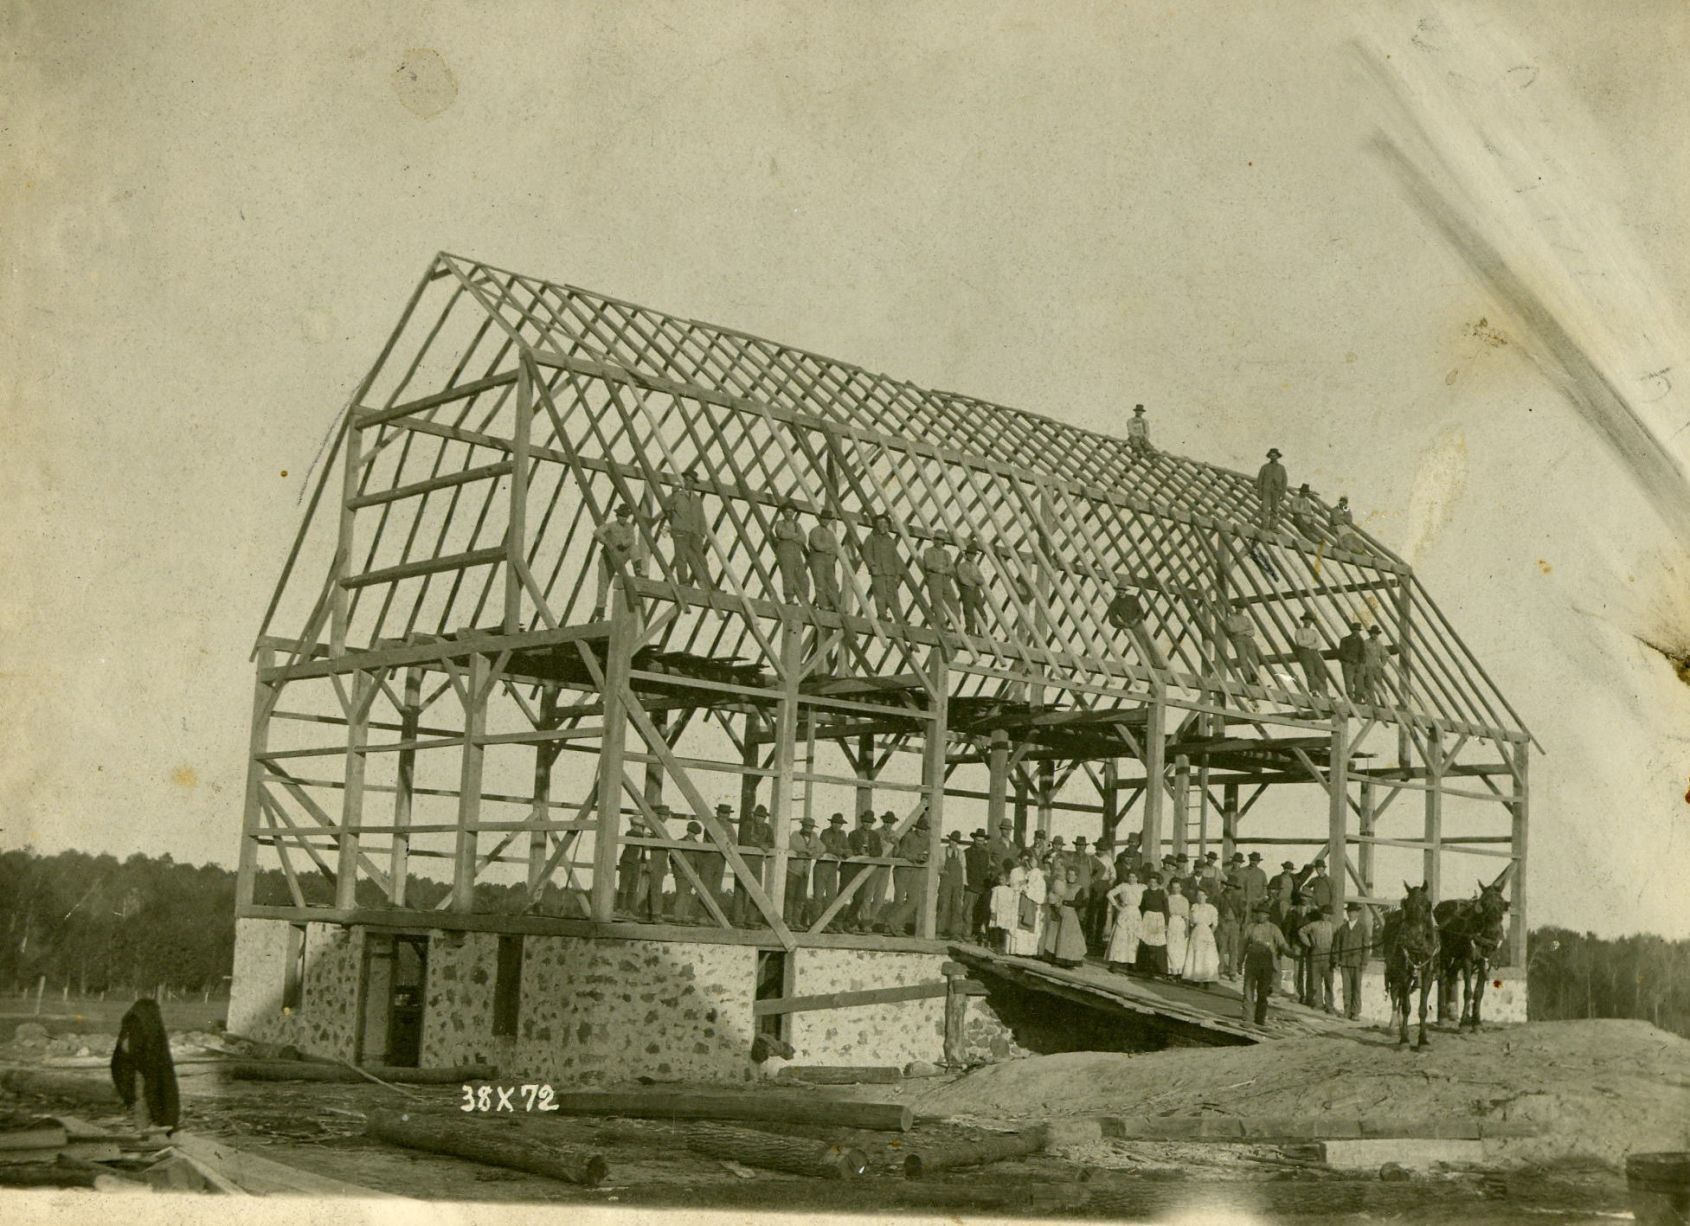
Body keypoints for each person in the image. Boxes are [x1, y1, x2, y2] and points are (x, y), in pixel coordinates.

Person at [112, 999, 179, 1129]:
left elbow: (126, 1049)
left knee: (144, 1103)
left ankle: (147, 1133)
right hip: (144, 1072)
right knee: (146, 1103)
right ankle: (148, 1133)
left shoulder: (134, 1022)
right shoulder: (143, 1024)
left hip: (141, 1071)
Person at [1241, 905, 1294, 1025]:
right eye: (1258, 913)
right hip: (1252, 963)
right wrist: (1239, 962)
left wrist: (1291, 953)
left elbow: (1282, 944)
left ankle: (1259, 1019)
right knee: (1248, 991)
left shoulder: (1273, 929)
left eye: (1263, 913)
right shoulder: (1250, 927)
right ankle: (1247, 1018)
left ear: (1268, 915)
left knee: (1262, 992)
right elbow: (1243, 945)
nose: (1260, 916)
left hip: (1266, 964)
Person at [661, 469, 714, 590]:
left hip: (694, 533)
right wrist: (673, 493)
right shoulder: (678, 496)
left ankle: (708, 585)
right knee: (681, 558)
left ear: (694, 483)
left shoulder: (697, 499)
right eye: (687, 480)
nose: (688, 483)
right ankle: (683, 582)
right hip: (680, 531)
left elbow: (701, 517)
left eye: (691, 481)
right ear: (684, 481)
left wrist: (701, 533)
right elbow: (666, 506)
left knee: (701, 560)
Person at [590, 503, 644, 620]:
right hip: (607, 559)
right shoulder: (611, 525)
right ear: (617, 516)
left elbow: (632, 539)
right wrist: (606, 542)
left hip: (620, 555)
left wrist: (622, 544)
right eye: (621, 516)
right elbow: (597, 532)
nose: (623, 518)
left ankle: (638, 569)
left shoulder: (629, 527)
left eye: (625, 516)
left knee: (634, 547)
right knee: (603, 585)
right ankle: (600, 614)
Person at [734, 803, 775, 927]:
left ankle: (751, 918)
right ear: (754, 816)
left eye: (762, 817)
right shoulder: (747, 825)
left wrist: (765, 845)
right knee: (741, 889)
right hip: (744, 860)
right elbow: (744, 840)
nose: (760, 819)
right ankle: (737, 919)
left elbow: (772, 843)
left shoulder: (767, 828)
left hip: (757, 862)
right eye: (758, 816)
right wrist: (760, 845)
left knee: (756, 890)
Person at [1107, 583, 1165, 668]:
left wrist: (1136, 620)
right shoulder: (1115, 603)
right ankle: (1150, 664)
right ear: (1116, 591)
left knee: (1149, 643)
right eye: (1118, 589)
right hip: (1129, 627)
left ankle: (1159, 664)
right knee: (1141, 645)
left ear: (1125, 590)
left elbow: (1141, 612)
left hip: (1139, 624)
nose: (1120, 591)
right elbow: (1112, 620)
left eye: (1122, 589)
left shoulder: (1132, 599)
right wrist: (1123, 624)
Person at [1042, 865, 1089, 968]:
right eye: (1069, 874)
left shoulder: (1079, 888)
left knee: (1067, 938)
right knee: (1055, 935)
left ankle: (1067, 961)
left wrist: (1064, 902)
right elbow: (1054, 895)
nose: (1070, 876)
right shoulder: (1062, 885)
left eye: (1073, 875)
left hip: (1070, 915)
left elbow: (1078, 903)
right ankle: (1054, 958)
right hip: (1059, 912)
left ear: (1076, 876)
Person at [862, 513, 905, 620]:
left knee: (893, 596)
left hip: (890, 573)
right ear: (876, 525)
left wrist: (898, 574)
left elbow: (896, 557)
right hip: (878, 572)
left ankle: (899, 618)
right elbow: (866, 553)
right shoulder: (871, 538)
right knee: (880, 595)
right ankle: (882, 616)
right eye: (880, 523)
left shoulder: (890, 541)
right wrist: (872, 566)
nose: (883, 525)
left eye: (885, 523)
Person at [1299, 904, 1339, 1013]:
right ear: (1321, 914)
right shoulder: (1314, 925)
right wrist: (1309, 944)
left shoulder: (1334, 927)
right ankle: (1318, 1003)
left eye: (1328, 914)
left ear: (1331, 916)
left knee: (1329, 982)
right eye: (1324, 913)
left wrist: (1335, 957)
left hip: (1328, 957)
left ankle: (1329, 1005)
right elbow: (1301, 932)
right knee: (1316, 981)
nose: (1326, 916)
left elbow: (1338, 942)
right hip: (1315, 955)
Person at [813, 813, 849, 930]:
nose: (837, 825)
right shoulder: (825, 832)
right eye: (835, 823)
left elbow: (847, 848)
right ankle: (816, 921)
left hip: (833, 868)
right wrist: (841, 851)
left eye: (839, 824)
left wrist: (845, 852)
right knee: (818, 896)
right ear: (831, 823)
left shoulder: (843, 834)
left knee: (831, 896)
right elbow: (827, 847)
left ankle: (827, 922)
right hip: (822, 866)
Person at [1105, 868, 1146, 971]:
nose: (1132, 879)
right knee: (1120, 936)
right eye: (1130, 876)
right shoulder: (1123, 886)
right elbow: (1109, 894)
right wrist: (1117, 906)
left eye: (1134, 877)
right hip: (1125, 912)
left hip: (1135, 913)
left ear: (1138, 878)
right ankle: (1115, 963)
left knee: (1133, 938)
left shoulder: (1142, 887)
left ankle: (1132, 963)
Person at [785, 815, 822, 927]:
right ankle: (788, 920)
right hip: (793, 870)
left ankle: (796, 921)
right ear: (802, 826)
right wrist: (804, 850)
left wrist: (814, 852)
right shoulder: (795, 835)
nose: (808, 829)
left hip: (805, 872)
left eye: (811, 827)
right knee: (790, 896)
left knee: (800, 897)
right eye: (806, 826)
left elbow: (822, 848)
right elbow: (791, 845)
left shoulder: (814, 836)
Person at [1333, 902, 1368, 1020]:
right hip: (1344, 963)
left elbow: (1366, 948)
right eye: (1349, 912)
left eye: (1354, 912)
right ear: (1347, 913)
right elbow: (1337, 945)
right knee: (1346, 988)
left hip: (1357, 963)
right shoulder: (1342, 929)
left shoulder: (1363, 929)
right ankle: (1347, 1011)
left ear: (1358, 913)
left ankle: (1355, 1012)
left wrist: (1364, 962)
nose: (1351, 914)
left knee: (1356, 988)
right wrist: (1336, 960)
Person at [845, 811, 878, 932]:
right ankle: (847, 922)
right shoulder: (853, 834)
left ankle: (851, 921)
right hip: (853, 868)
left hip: (867, 869)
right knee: (850, 895)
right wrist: (858, 851)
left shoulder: (874, 835)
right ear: (862, 822)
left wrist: (870, 853)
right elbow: (848, 848)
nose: (867, 824)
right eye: (865, 822)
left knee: (860, 897)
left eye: (870, 822)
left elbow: (879, 851)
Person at [771, 501, 809, 603]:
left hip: (796, 552)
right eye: (787, 512)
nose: (789, 514)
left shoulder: (798, 525)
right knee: (787, 575)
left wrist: (791, 536)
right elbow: (782, 534)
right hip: (784, 551)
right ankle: (789, 599)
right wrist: (795, 536)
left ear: (794, 513)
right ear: (783, 513)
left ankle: (805, 599)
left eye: (791, 512)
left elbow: (803, 538)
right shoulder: (779, 523)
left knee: (803, 576)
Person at [1183, 887, 1221, 987]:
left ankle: (1206, 980)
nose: (1200, 898)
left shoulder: (1211, 908)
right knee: (1196, 954)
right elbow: (1191, 921)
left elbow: (1215, 923)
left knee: (1207, 956)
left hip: (1206, 932)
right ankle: (1195, 978)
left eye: (1203, 895)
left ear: (1206, 896)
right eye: (1198, 895)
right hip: (1196, 932)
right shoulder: (1194, 907)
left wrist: (1210, 933)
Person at [806, 514, 842, 612]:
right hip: (817, 559)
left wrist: (827, 549)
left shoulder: (830, 533)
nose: (826, 521)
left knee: (833, 584)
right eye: (824, 519)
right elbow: (817, 546)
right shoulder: (815, 531)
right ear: (820, 519)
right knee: (820, 582)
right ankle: (823, 605)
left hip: (828, 561)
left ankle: (835, 605)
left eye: (828, 519)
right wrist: (828, 548)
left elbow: (835, 548)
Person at [920, 540, 959, 629]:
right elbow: (929, 565)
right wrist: (941, 569)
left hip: (945, 579)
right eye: (937, 539)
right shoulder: (928, 551)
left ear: (943, 542)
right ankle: (942, 624)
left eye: (940, 540)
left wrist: (942, 570)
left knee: (952, 599)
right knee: (937, 601)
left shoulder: (946, 553)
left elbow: (951, 567)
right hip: (934, 578)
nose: (938, 542)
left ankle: (957, 622)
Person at [938, 830, 969, 939]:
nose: (953, 843)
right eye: (951, 840)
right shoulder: (942, 851)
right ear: (949, 840)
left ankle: (955, 932)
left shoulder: (961, 853)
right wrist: (942, 871)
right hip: (946, 882)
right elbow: (939, 865)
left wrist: (964, 884)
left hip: (958, 883)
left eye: (955, 841)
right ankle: (939, 930)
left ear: (957, 843)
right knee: (943, 904)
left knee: (957, 906)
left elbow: (963, 869)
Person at [672, 819, 705, 923]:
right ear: (687, 831)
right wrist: (676, 870)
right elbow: (672, 858)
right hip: (681, 873)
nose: (692, 834)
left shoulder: (697, 845)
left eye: (694, 833)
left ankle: (684, 916)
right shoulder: (680, 842)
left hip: (692, 874)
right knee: (681, 893)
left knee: (687, 894)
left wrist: (697, 871)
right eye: (690, 832)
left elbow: (699, 860)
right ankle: (677, 916)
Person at [643, 805, 672, 922]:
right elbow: (646, 844)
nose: (665, 817)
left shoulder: (663, 826)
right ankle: (655, 914)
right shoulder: (651, 827)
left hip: (662, 858)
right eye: (662, 814)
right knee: (656, 887)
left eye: (666, 815)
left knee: (657, 886)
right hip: (655, 858)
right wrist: (649, 860)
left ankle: (652, 913)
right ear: (658, 815)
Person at [1137, 873, 1169, 975]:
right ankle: (1145, 966)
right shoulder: (1145, 893)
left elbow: (1166, 909)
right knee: (1146, 941)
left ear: (1158, 883)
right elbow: (1141, 908)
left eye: (1154, 882)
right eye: (1150, 882)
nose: (1152, 884)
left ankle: (1159, 968)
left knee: (1158, 943)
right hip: (1147, 918)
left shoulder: (1162, 893)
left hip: (1159, 918)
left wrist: (1166, 923)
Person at [964, 828, 993, 940]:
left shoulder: (986, 853)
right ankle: (966, 933)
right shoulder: (967, 852)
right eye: (977, 840)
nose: (979, 843)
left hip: (982, 887)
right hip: (970, 886)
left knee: (980, 912)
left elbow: (988, 868)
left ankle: (975, 933)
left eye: (981, 841)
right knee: (967, 911)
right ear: (974, 840)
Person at [1293, 613, 1329, 699]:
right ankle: (1314, 692)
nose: (1308, 622)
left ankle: (1325, 692)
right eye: (1307, 620)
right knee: (1310, 672)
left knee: (1321, 672)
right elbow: (1299, 642)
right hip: (1304, 653)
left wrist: (1309, 645)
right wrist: (1312, 643)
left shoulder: (1314, 632)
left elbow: (1319, 644)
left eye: (1310, 621)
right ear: (1303, 621)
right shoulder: (1299, 631)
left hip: (1314, 653)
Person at [616, 818, 647, 915]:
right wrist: (644, 836)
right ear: (633, 826)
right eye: (638, 826)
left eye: (641, 826)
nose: (640, 828)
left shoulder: (641, 837)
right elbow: (633, 835)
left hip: (636, 863)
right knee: (624, 885)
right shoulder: (630, 833)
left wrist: (644, 861)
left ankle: (629, 909)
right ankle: (620, 908)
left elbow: (643, 851)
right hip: (627, 862)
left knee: (633, 887)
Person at [1226, 608, 1264, 686]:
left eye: (1242, 608)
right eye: (1238, 608)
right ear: (1236, 608)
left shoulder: (1246, 618)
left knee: (1254, 659)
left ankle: (1255, 679)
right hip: (1238, 639)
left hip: (1248, 639)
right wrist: (1245, 629)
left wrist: (1241, 631)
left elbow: (1252, 631)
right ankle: (1248, 680)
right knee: (1243, 659)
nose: (1240, 610)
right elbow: (1231, 629)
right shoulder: (1231, 619)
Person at [956, 543, 988, 635]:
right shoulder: (961, 566)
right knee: (969, 611)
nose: (971, 556)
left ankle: (983, 633)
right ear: (966, 554)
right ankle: (971, 632)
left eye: (973, 554)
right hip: (966, 590)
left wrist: (972, 578)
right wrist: (974, 579)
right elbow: (963, 579)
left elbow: (982, 580)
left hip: (975, 591)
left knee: (982, 611)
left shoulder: (975, 567)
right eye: (969, 553)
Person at [1215, 881, 1244, 979]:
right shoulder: (1220, 896)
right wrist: (1220, 922)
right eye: (1228, 885)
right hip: (1223, 923)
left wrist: (1239, 923)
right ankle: (1220, 970)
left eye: (1232, 885)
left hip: (1234, 924)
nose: (1230, 887)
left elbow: (1242, 911)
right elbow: (1216, 911)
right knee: (1221, 947)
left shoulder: (1238, 898)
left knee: (1233, 948)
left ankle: (1232, 972)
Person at [1255, 448, 1288, 531]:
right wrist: (1259, 492)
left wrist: (1283, 493)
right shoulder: (1264, 467)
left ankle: (1273, 526)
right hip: (1266, 491)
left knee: (1275, 509)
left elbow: (1284, 481)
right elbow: (1260, 480)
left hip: (1277, 491)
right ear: (1269, 457)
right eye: (1271, 455)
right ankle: (1264, 525)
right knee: (1265, 508)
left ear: (1277, 457)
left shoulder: (1281, 468)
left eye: (1275, 455)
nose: (1273, 457)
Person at [987, 867, 1017, 953]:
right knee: (997, 929)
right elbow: (993, 901)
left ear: (1007, 881)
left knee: (1004, 931)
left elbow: (1012, 903)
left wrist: (1010, 913)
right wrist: (993, 911)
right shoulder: (996, 889)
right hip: (998, 912)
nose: (1001, 881)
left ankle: (1002, 947)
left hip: (1006, 914)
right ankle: (996, 946)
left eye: (1003, 879)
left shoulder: (1010, 891)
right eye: (1000, 879)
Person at [1336, 621, 1367, 702]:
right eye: (1354, 630)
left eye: (1358, 630)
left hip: (1358, 665)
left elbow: (1363, 652)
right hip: (1348, 664)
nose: (1356, 632)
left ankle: (1358, 699)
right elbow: (1342, 653)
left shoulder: (1360, 641)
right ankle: (1350, 698)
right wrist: (1350, 660)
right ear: (1352, 630)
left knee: (1359, 682)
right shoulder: (1345, 640)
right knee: (1348, 682)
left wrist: (1361, 662)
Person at [1166, 880, 1191, 979]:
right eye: (1174, 887)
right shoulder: (1168, 899)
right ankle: (1170, 970)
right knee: (1170, 947)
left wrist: (1187, 929)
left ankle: (1179, 971)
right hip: (1171, 922)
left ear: (1181, 888)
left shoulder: (1184, 900)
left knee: (1180, 948)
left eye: (1177, 887)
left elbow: (1186, 916)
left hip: (1180, 924)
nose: (1175, 889)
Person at [1361, 625, 1391, 708]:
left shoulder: (1379, 644)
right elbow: (1361, 655)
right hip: (1368, 667)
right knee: (1369, 685)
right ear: (1370, 634)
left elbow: (1385, 655)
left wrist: (1382, 664)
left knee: (1380, 685)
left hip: (1377, 668)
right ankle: (1373, 703)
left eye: (1376, 634)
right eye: (1373, 633)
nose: (1375, 635)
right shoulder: (1365, 643)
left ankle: (1385, 703)